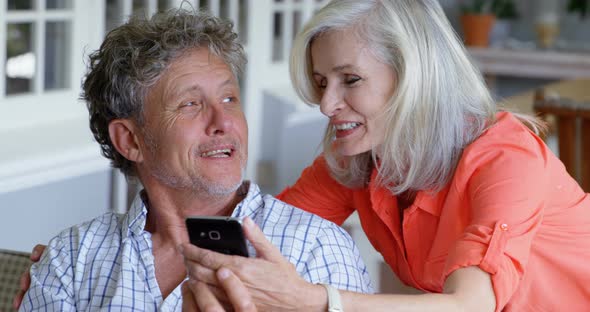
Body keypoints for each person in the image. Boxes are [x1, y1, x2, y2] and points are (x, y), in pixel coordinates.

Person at [179, 0, 590, 311]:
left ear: (414, 77)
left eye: (350, 79)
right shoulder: (355, 160)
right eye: (322, 83)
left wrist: (317, 301)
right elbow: (268, 237)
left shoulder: (506, 157)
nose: (326, 104)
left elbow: (469, 304)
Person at [14, 8, 373, 311]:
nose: (224, 123)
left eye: (230, 99)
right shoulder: (72, 258)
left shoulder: (315, 250)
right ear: (130, 140)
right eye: (191, 104)